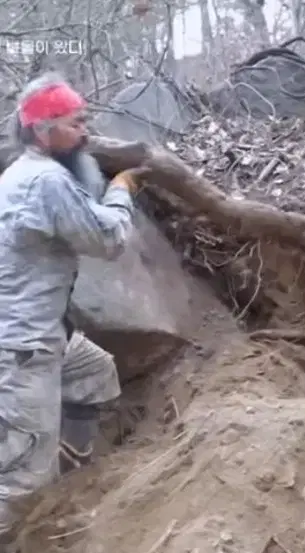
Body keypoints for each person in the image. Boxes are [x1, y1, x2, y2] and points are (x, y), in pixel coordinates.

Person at [0, 72, 146, 542]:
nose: (85, 133)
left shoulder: (23, 173)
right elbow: (106, 238)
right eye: (75, 123)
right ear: (43, 131)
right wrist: (122, 189)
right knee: (20, 481)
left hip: (44, 334)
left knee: (96, 373)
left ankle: (70, 479)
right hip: (22, 347)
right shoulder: (44, 181)